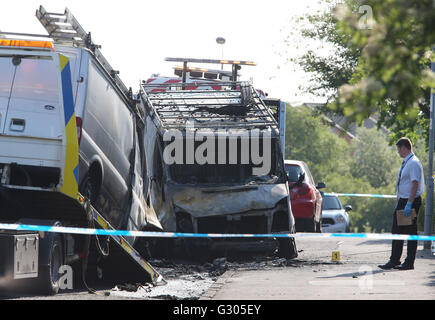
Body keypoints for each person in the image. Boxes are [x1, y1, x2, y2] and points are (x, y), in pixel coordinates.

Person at [379, 137, 424, 270]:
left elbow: (414, 184)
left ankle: (409, 262)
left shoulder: (413, 163)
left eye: (398, 149)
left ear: (404, 147)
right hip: (404, 200)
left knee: (410, 232)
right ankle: (395, 260)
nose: (398, 152)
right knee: (397, 230)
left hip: (410, 201)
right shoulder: (407, 162)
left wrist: (409, 203)